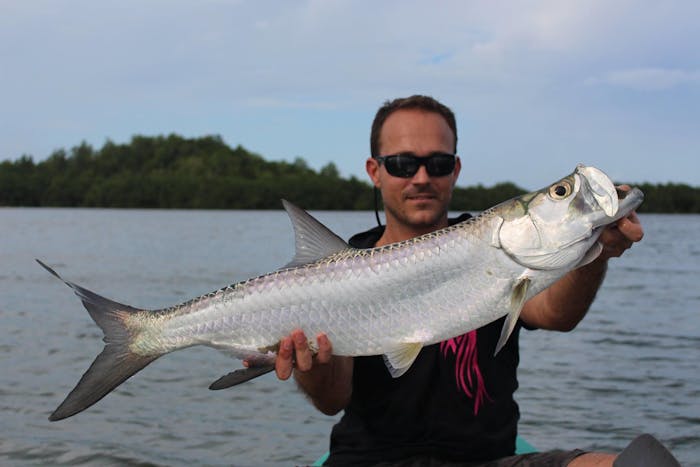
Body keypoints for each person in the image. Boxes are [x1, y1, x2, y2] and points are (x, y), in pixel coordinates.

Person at [270, 96, 671, 466]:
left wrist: (595, 248)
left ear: (456, 169)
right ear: (375, 171)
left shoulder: (499, 253)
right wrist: (310, 365)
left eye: (439, 163)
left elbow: (555, 314)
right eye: (403, 164)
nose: (422, 177)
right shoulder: (340, 272)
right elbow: (332, 400)